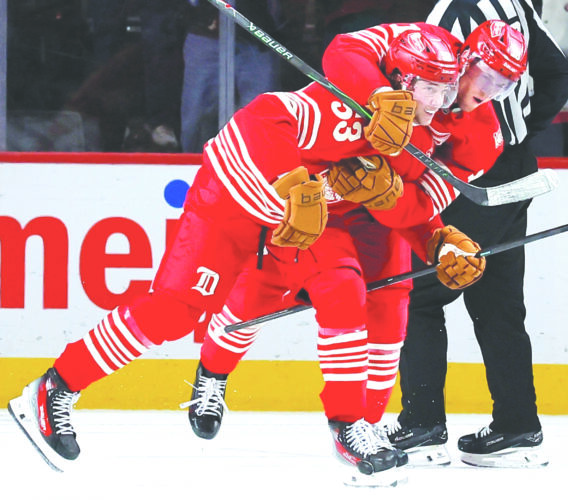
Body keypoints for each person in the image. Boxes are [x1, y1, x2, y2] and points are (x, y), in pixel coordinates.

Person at [5, 21, 444, 477]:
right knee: (174, 312)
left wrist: (437, 238)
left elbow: (409, 200)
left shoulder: (419, 136)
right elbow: (264, 117)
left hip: (301, 218)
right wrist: (294, 184)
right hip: (234, 196)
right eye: (431, 89)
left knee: (345, 291)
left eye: (446, 91)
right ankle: (57, 385)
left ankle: (351, 427)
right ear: (401, 82)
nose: (439, 103)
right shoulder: (350, 106)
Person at [184, 22, 512, 486]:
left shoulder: (484, 136)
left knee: (389, 311)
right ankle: (213, 373)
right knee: (261, 292)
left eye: (505, 85)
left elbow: (422, 204)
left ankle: (362, 428)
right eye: (488, 76)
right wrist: (379, 96)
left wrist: (423, 227)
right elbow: (342, 51)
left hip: (379, 210)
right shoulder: (423, 45)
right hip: (320, 193)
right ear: (463, 60)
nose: (490, 92)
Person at [388, 0, 568, 468]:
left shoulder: (450, 13)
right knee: (498, 302)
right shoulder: (515, 3)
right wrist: (517, 134)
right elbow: (557, 72)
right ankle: (517, 426)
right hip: (515, 169)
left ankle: (421, 425)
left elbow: (425, 99)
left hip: (471, 174)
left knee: (419, 296)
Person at [180, 0, 281, 152]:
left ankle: (256, 163)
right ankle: (192, 162)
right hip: (206, 36)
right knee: (195, 115)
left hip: (256, 37)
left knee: (260, 114)